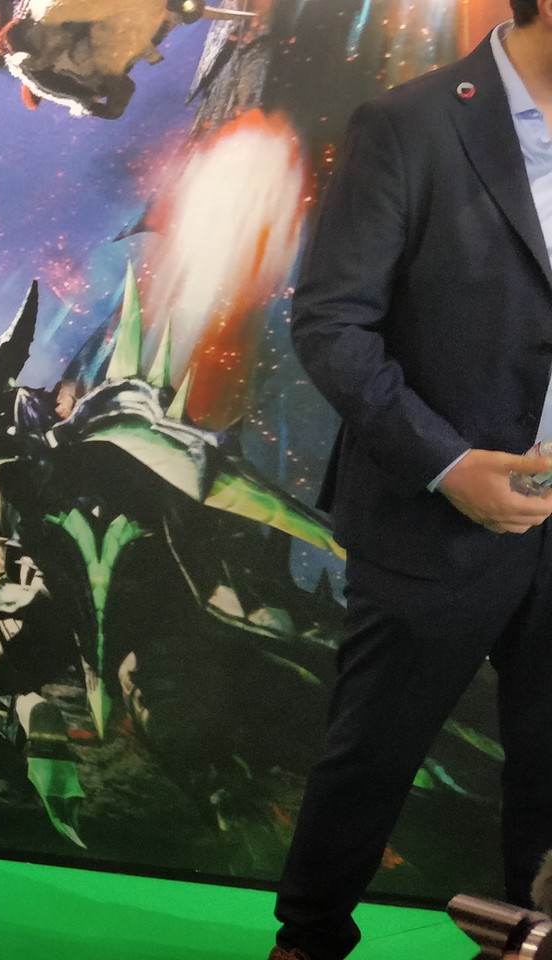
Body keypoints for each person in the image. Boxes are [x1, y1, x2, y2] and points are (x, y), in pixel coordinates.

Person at [277, 3, 552, 958]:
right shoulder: (410, 122)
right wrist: (448, 465)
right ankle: (309, 939)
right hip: (433, 515)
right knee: (372, 755)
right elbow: (332, 323)